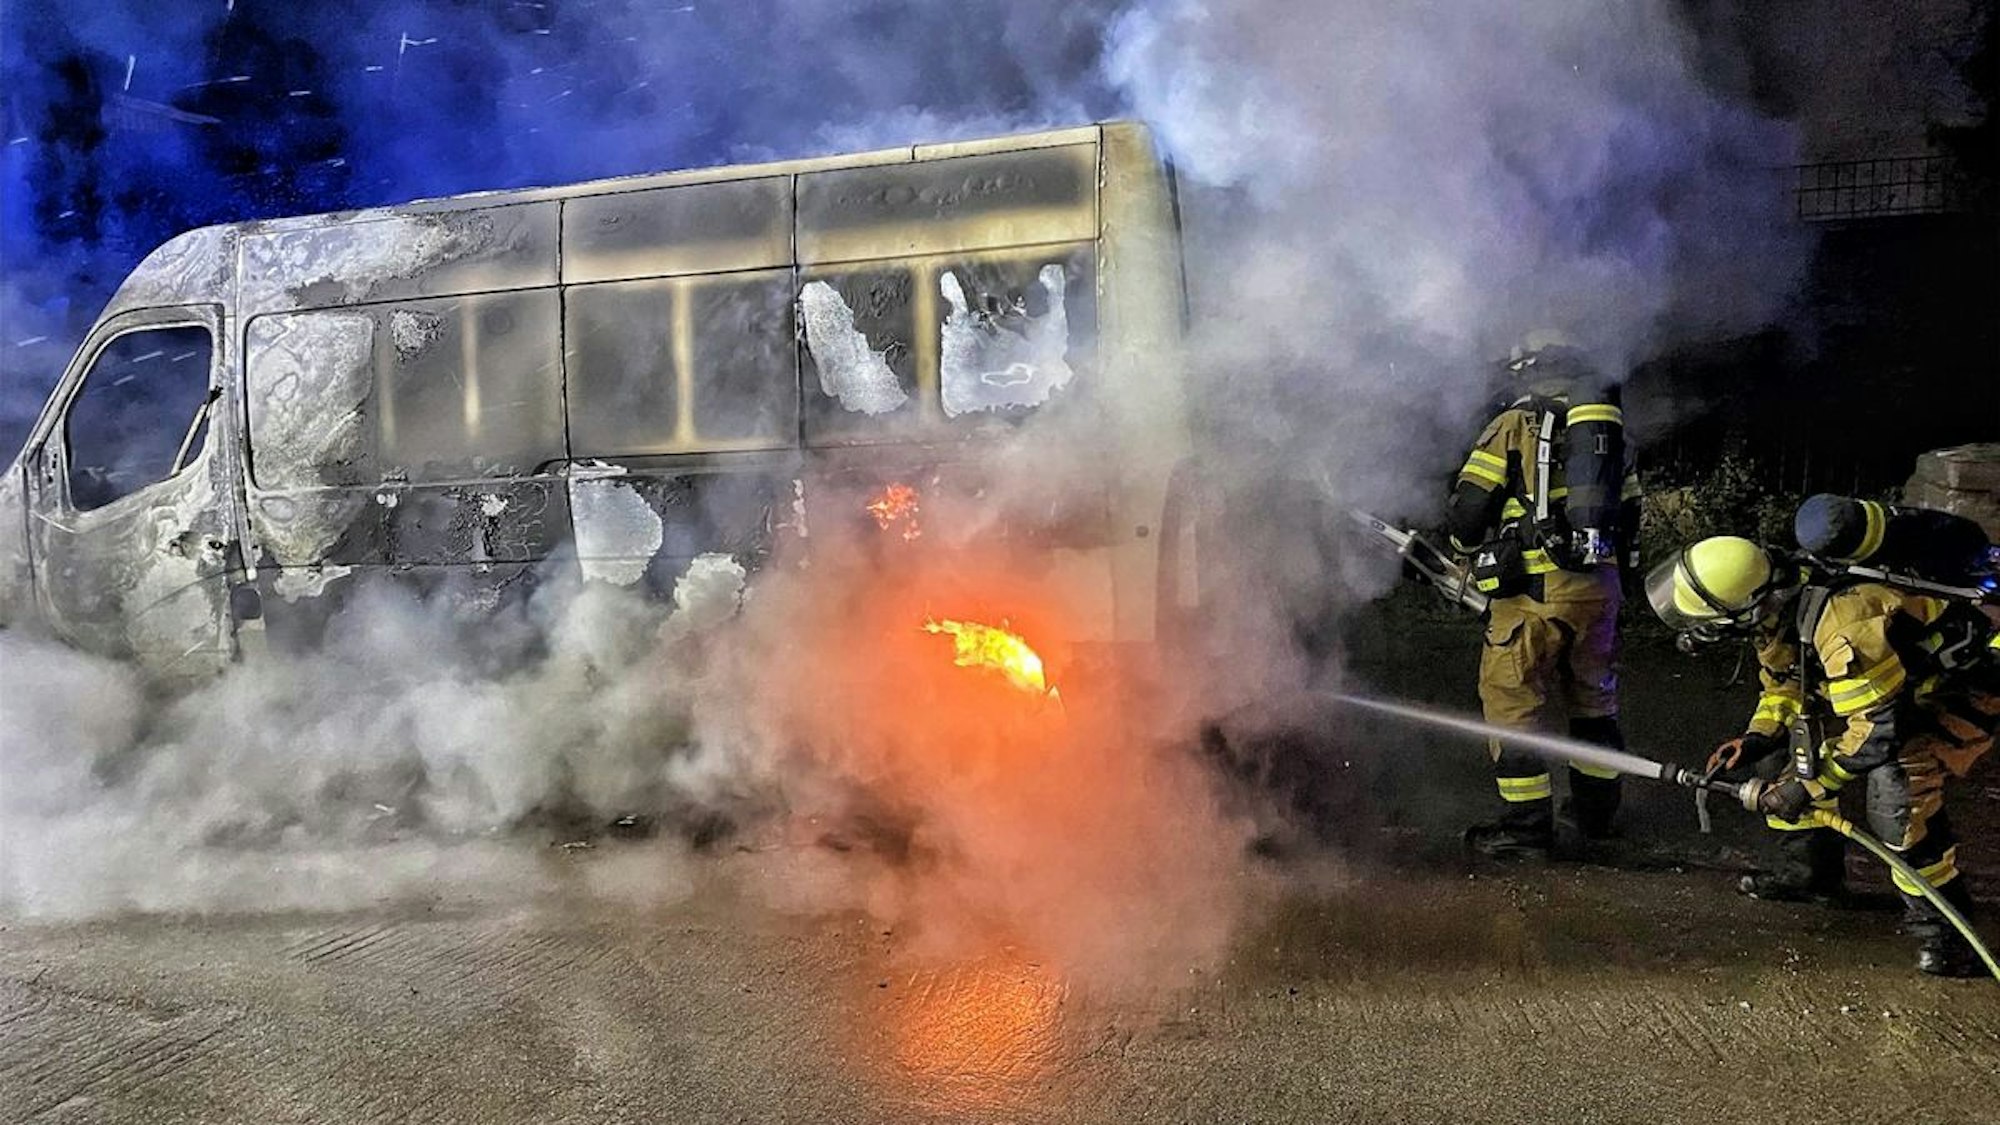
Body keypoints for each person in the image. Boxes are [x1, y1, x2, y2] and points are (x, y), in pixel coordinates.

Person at [1649, 532, 2000, 976]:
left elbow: (1877, 732)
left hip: (1954, 690)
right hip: (1889, 695)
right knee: (1780, 757)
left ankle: (1947, 936)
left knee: (1898, 795)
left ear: (1744, 606)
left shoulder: (1842, 623)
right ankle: (1810, 873)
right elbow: (1786, 687)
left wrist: (1808, 786)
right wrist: (1759, 737)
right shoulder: (1775, 608)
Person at [1444, 332, 1642, 859]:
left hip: (1533, 597)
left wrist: (1465, 546)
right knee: (1594, 703)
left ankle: (1527, 827)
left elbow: (1469, 510)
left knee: (1512, 705)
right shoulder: (1607, 439)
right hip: (1600, 592)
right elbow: (1631, 518)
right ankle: (1597, 816)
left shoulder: (1516, 424)